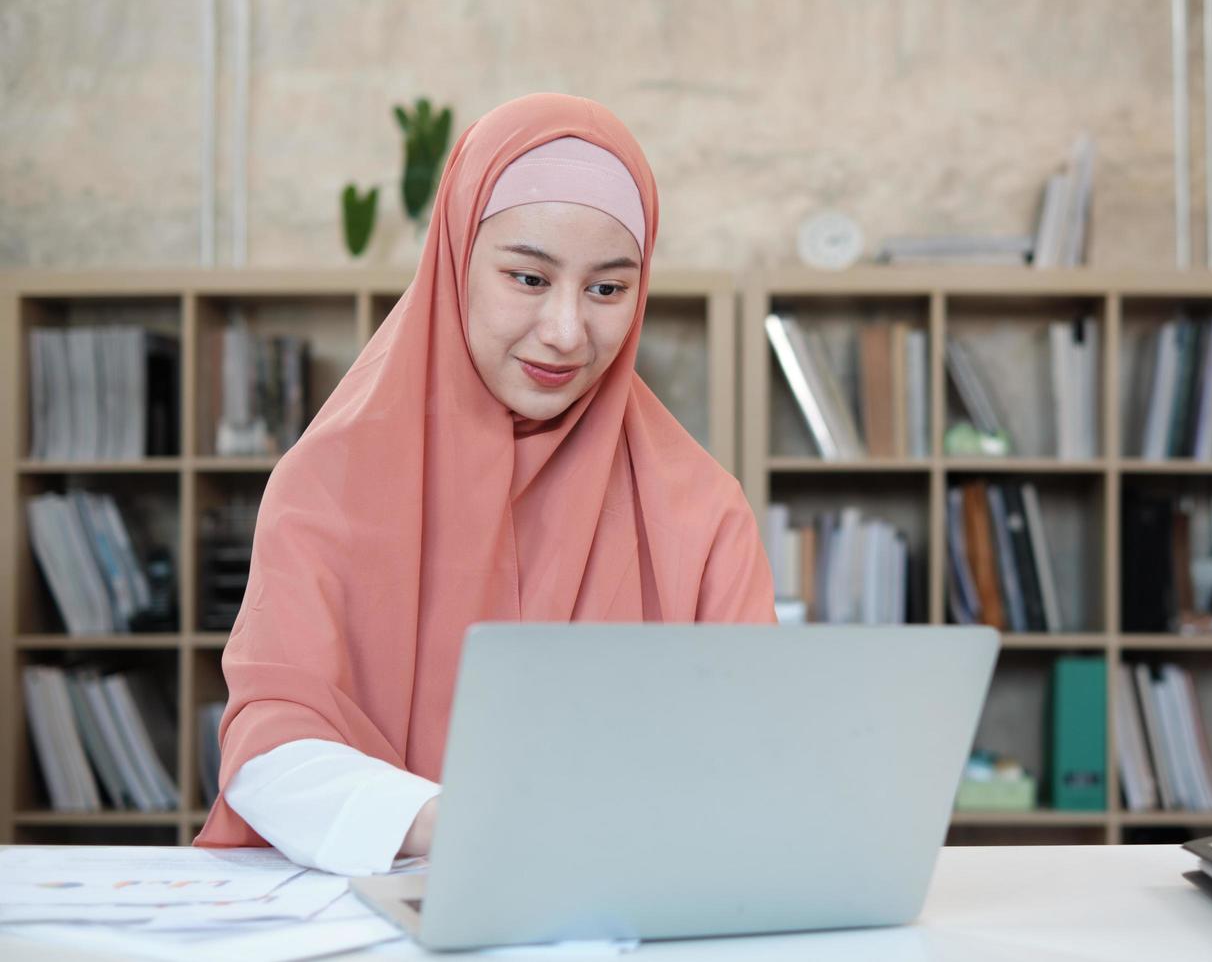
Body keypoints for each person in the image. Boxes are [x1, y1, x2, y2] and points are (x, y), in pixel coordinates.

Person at [193, 93, 777, 875]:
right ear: (456, 260)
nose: (568, 331)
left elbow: (758, 755)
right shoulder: (328, 480)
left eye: (607, 289)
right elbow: (269, 749)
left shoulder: (701, 509)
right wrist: (467, 823)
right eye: (529, 278)